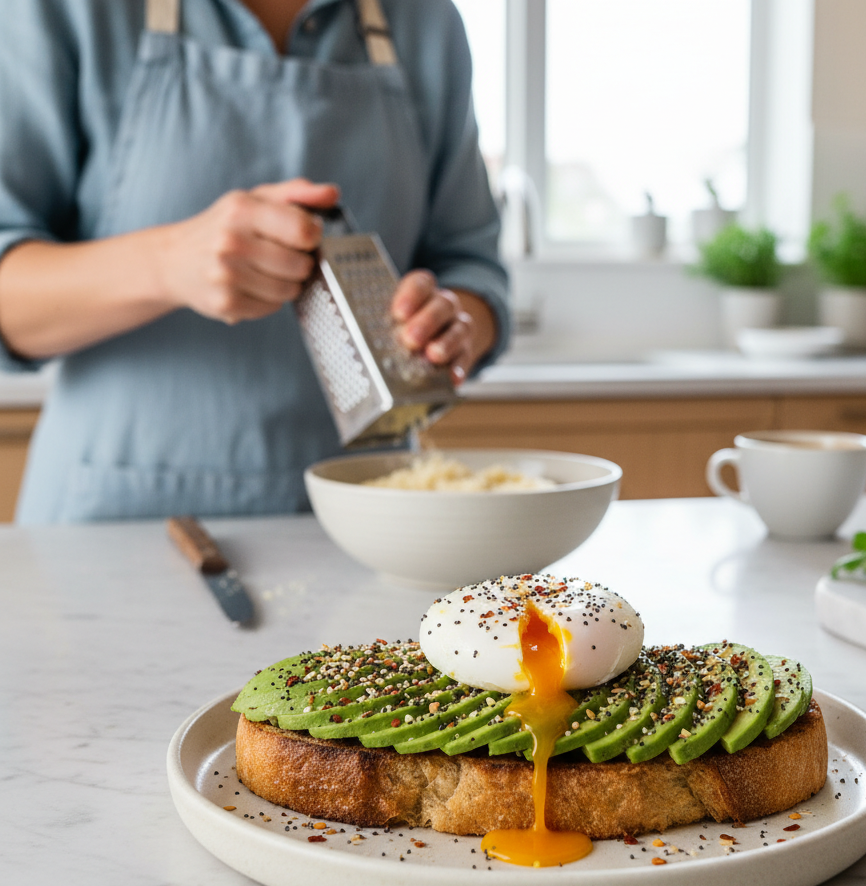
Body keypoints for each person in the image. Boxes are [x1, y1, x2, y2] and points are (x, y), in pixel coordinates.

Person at [0, 0, 508, 523]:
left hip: (367, 520)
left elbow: (472, 267)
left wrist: (456, 322)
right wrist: (168, 264)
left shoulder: (424, 21)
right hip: (112, 520)